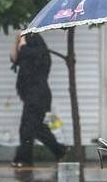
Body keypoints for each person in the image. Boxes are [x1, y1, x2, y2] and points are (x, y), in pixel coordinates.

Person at [10, 32, 67, 167]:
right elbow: (14, 58)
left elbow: (25, 51)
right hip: (33, 96)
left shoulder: (39, 52)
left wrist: (22, 40)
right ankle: (60, 150)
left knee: (27, 128)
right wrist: (16, 41)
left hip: (38, 96)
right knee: (38, 128)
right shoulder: (27, 54)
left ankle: (24, 159)